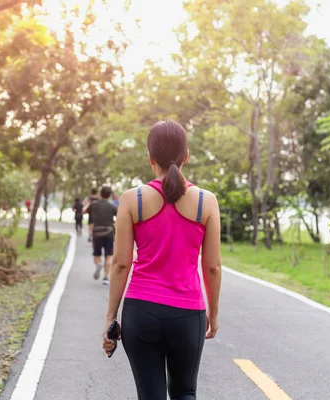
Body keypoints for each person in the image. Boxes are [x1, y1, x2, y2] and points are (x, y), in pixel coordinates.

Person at [102, 119, 222, 400]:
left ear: (150, 157)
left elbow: (120, 264)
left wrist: (111, 316)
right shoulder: (206, 201)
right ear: (186, 156)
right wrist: (213, 314)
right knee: (184, 393)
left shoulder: (132, 199)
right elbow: (213, 267)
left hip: (141, 312)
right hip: (187, 314)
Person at [86, 186, 117, 285]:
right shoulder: (112, 207)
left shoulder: (94, 205)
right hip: (109, 232)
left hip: (96, 233)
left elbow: (84, 211)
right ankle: (105, 277)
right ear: (110, 195)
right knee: (108, 255)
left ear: (100, 194)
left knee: (97, 254)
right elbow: (120, 218)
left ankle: (98, 264)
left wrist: (87, 204)